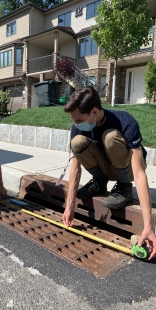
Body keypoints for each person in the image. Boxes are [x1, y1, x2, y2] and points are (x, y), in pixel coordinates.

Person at [62, 86, 156, 260]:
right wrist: (69, 207)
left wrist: (148, 226)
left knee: (110, 137)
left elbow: (139, 173)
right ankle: (99, 182)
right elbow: (75, 168)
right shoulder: (79, 127)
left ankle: (123, 188)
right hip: (107, 168)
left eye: (79, 120)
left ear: (94, 111)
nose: (76, 124)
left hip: (126, 170)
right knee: (77, 142)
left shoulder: (125, 121)